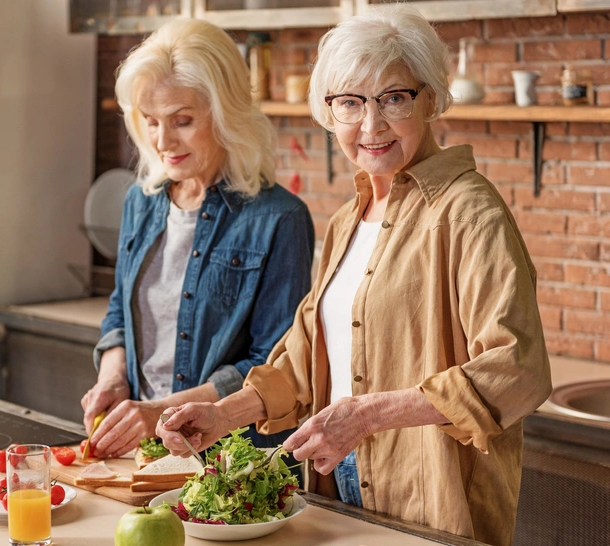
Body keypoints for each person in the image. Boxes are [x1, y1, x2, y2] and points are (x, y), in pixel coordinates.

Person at [156, 6, 552, 546]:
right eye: (350, 102)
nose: (371, 125)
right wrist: (223, 414)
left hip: (429, 495)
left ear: (430, 98)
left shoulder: (469, 213)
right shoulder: (351, 217)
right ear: (330, 112)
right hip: (335, 483)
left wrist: (367, 416)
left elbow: (518, 368)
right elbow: (305, 357)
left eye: (392, 98)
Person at [80, 18, 315, 461]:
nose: (163, 140)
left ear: (225, 113)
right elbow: (120, 309)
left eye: (182, 121)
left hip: (228, 461)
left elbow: (273, 365)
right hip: (143, 449)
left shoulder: (279, 218)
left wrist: (158, 413)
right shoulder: (141, 200)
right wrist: (113, 378)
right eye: (150, 121)